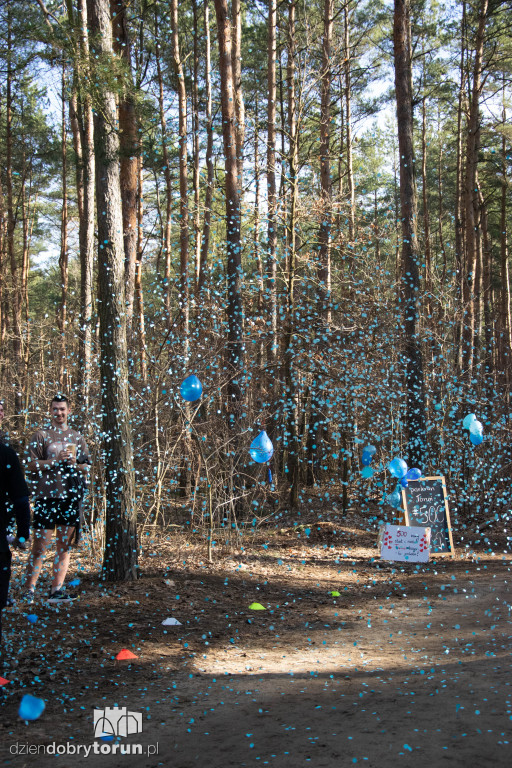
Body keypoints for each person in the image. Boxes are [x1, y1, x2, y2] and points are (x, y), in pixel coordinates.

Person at [24, 395, 90, 604]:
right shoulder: (41, 436)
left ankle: (56, 591)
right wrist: (54, 461)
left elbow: (86, 466)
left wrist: (75, 465)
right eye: (55, 409)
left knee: (64, 546)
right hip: (46, 497)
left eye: (62, 409)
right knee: (40, 546)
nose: (59, 413)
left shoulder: (77, 437)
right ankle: (29, 590)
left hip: (69, 497)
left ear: (68, 411)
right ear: (50, 411)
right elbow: (30, 465)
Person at [0, 441, 30, 643]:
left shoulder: (6, 454)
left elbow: (21, 499)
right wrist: (22, 535)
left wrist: (21, 534)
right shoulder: (6, 454)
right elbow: (20, 499)